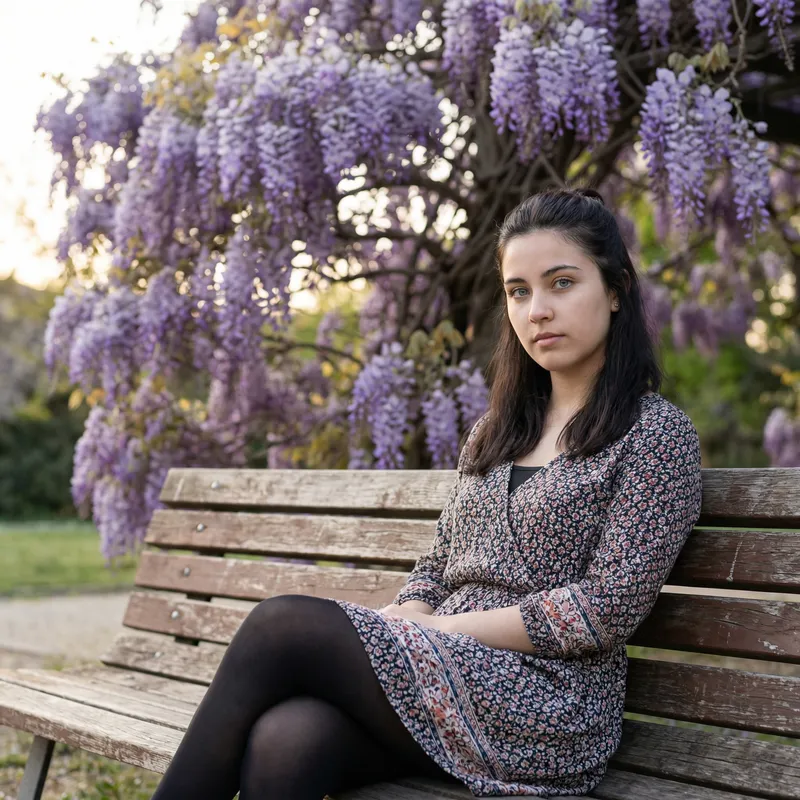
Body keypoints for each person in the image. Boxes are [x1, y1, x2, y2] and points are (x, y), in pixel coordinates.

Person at [150, 187, 703, 799]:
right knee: (289, 739)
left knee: (280, 626)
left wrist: (440, 629)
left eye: (562, 283)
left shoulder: (654, 434)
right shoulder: (494, 433)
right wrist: (411, 611)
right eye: (519, 292)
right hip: (444, 673)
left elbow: (602, 610)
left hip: (548, 704)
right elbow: (438, 562)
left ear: (616, 289)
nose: (537, 311)